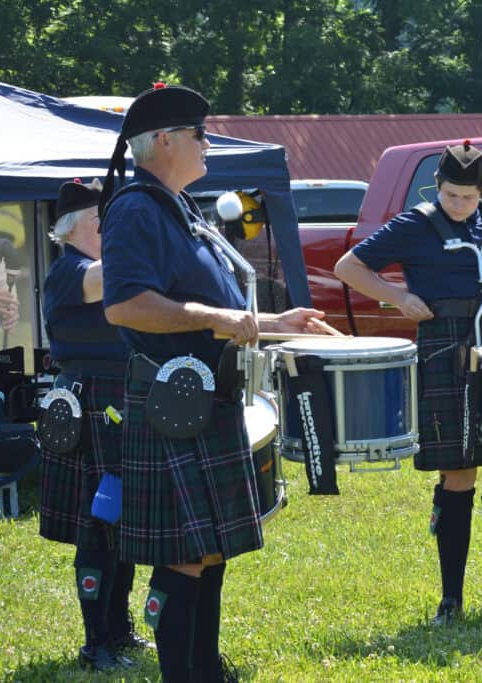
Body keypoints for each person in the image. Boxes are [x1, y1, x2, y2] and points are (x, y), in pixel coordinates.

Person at [99, 83, 326, 682]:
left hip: (204, 396)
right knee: (184, 557)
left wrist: (275, 322)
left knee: (209, 549)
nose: (207, 145)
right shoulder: (135, 207)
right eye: (199, 135)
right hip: (174, 400)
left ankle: (206, 670)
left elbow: (216, 303)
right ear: (164, 141)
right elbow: (124, 307)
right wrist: (220, 319)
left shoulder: (177, 206)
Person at [334, 142, 482, 625]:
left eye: (467, 197)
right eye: (449, 195)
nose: (458, 205)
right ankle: (451, 599)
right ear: (436, 187)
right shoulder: (414, 223)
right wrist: (398, 296)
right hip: (444, 348)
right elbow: (348, 267)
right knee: (458, 471)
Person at [38, 179, 152, 671]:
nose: (108, 229)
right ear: (73, 228)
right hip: (90, 409)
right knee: (98, 526)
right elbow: (110, 277)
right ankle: (94, 644)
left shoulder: (99, 268)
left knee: (120, 523)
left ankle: (119, 629)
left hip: (118, 402)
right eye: (101, 222)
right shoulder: (68, 271)